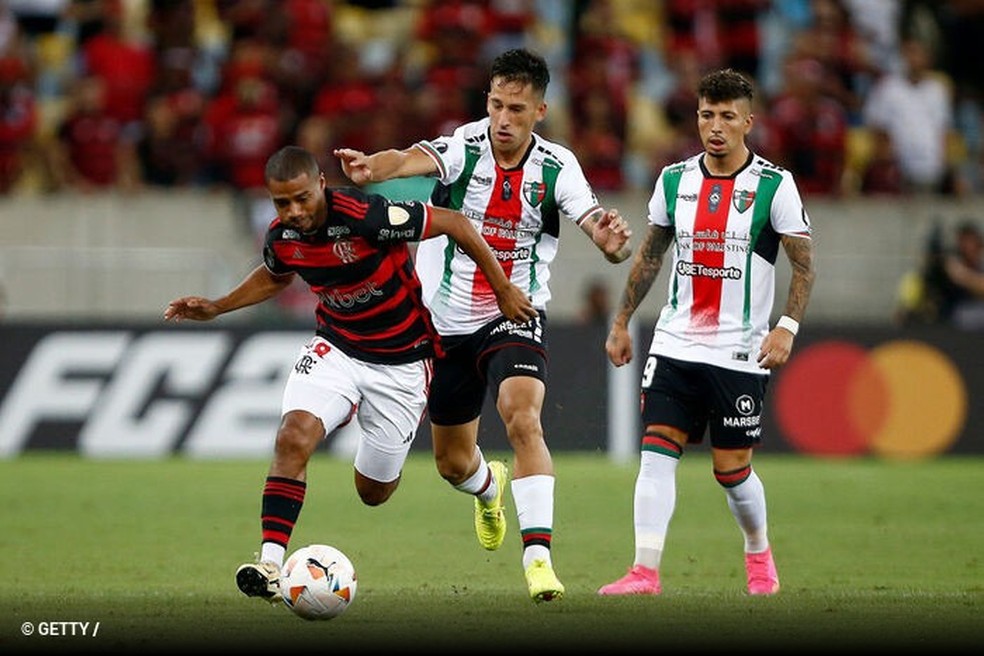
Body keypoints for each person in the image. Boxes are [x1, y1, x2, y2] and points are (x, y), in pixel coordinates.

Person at [163, 145, 535, 603]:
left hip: (401, 361)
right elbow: (278, 274)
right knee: (292, 437)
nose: (294, 211)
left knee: (373, 492)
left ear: (321, 183)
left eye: (302, 198)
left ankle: (486, 483)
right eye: (283, 203)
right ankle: (271, 566)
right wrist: (218, 306)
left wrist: (502, 289)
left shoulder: (365, 215)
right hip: (336, 348)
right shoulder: (281, 236)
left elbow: (454, 223)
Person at [334, 47, 632, 602]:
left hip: (513, 313)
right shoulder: (465, 145)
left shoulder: (557, 165)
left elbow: (596, 225)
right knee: (451, 463)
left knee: (522, 418)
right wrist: (372, 167)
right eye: (496, 104)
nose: (502, 119)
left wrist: (612, 245)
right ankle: (487, 486)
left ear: (540, 110)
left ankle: (539, 557)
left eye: (517, 109)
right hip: (441, 325)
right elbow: (406, 160)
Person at [596, 68, 815, 597]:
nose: (715, 127)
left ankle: (759, 552)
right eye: (706, 115)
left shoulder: (773, 184)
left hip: (739, 351)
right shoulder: (673, 180)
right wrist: (622, 321)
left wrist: (785, 327)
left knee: (732, 472)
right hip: (675, 343)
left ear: (748, 122)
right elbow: (650, 256)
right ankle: (644, 571)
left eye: (727, 117)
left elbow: (804, 265)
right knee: (656, 451)